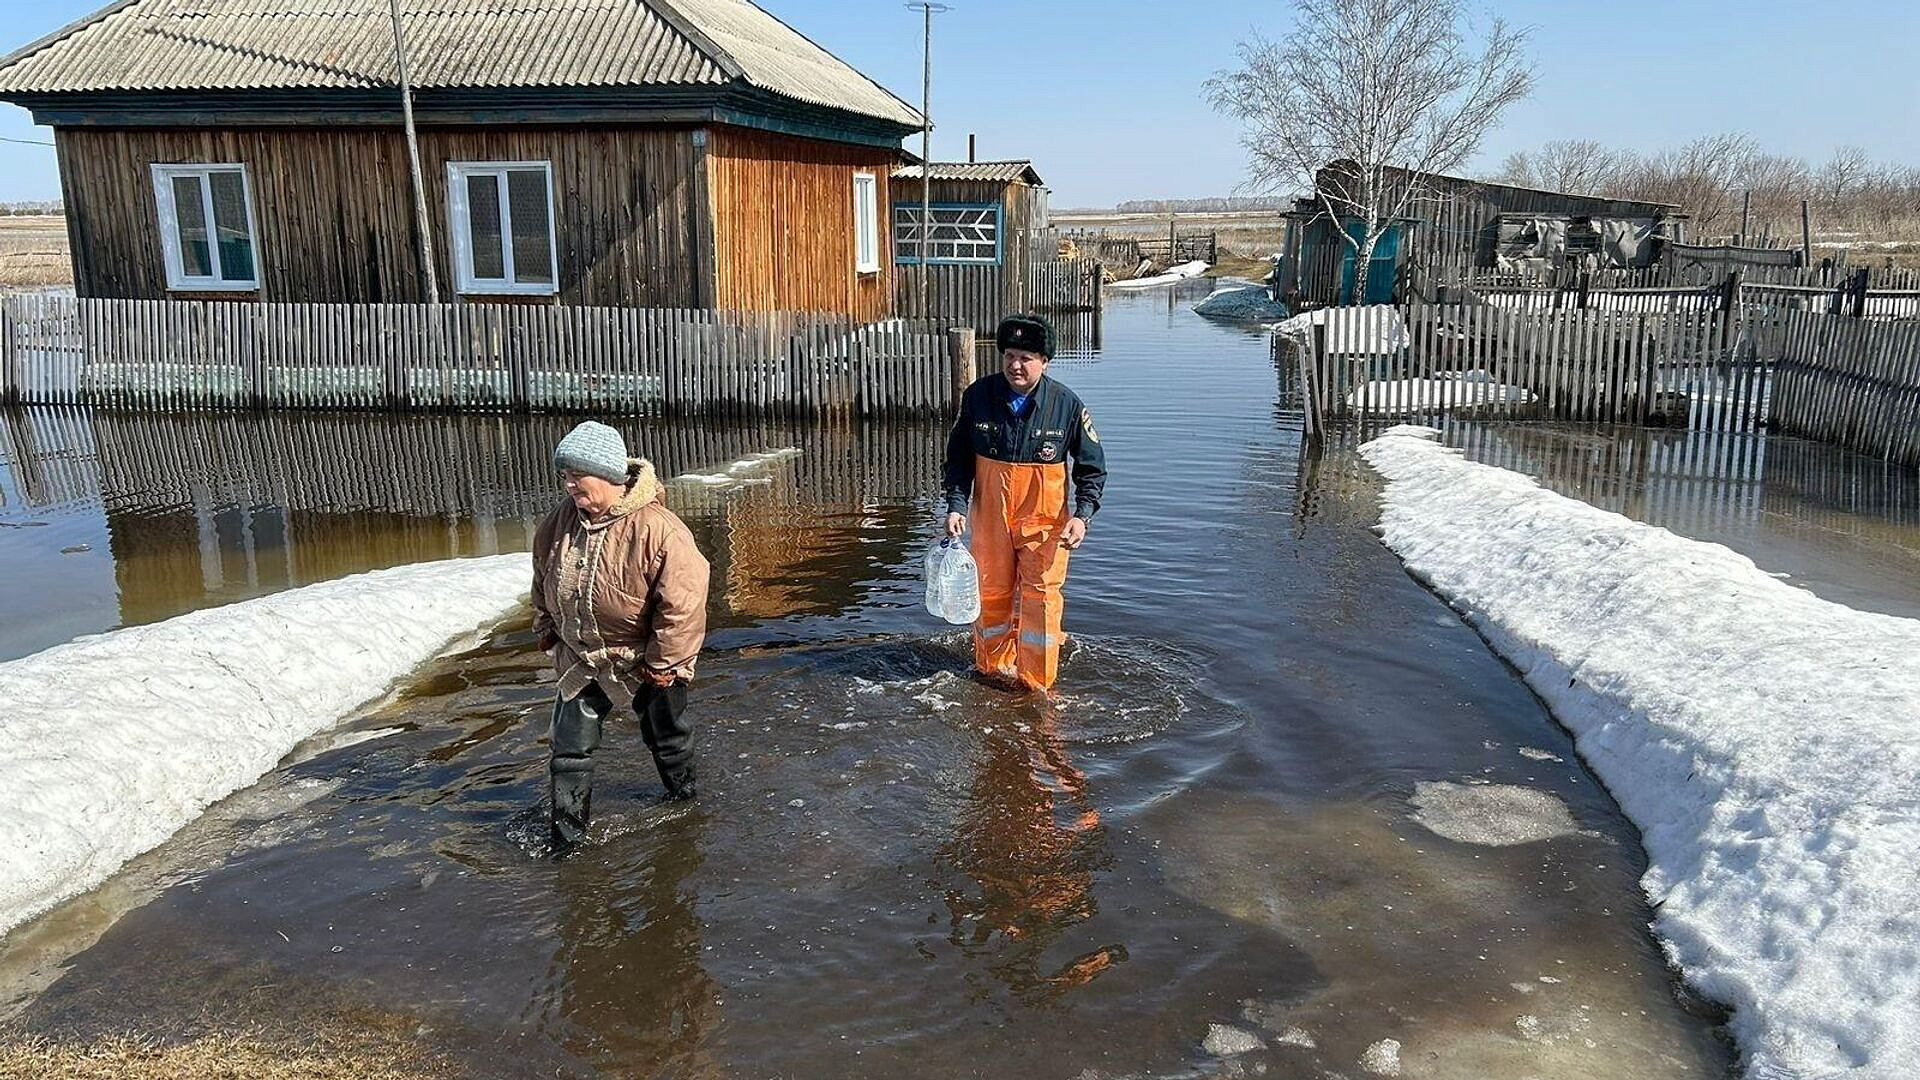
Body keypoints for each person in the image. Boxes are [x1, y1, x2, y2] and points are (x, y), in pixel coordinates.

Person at [532, 421, 710, 849]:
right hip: (583, 658)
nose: (569, 483)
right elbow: (543, 575)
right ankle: (566, 840)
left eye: (577, 474)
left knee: (667, 738)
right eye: (565, 474)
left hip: (647, 662)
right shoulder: (559, 521)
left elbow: (683, 605)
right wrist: (545, 624)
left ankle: (684, 800)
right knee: (568, 751)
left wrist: (665, 664)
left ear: (609, 475)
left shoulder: (660, 529)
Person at [942, 314, 1106, 692]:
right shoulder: (978, 398)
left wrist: (1082, 516)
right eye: (1010, 355)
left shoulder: (1066, 406)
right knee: (990, 592)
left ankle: (1038, 685)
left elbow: (1092, 468)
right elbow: (959, 460)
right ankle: (991, 673)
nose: (1016, 365)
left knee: (1041, 599)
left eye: (1026, 358)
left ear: (1045, 361)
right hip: (990, 520)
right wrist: (955, 505)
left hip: (1044, 523)